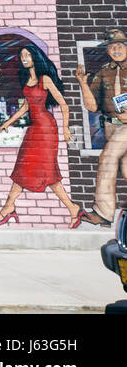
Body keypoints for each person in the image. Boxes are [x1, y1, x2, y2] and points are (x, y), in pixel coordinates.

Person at [0, 45, 91, 228]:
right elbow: (26, 107)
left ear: (35, 57)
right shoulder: (26, 79)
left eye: (28, 55)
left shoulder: (45, 80)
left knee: (46, 170)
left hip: (46, 129)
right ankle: (73, 209)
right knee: (25, 167)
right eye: (22, 55)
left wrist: (66, 129)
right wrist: (7, 122)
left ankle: (8, 207)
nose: (24, 58)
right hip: (34, 128)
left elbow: (64, 105)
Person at [74, 28, 127, 226]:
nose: (116, 50)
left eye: (120, 46)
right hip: (111, 127)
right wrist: (82, 83)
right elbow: (92, 106)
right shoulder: (104, 72)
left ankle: (103, 213)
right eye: (112, 47)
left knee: (107, 158)